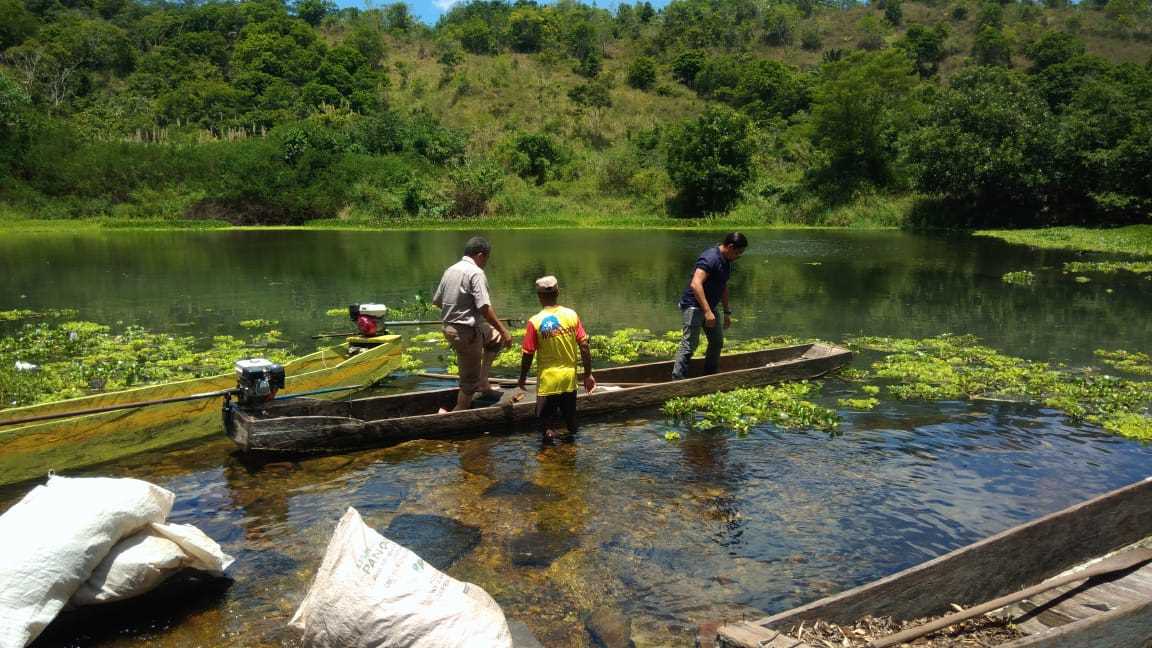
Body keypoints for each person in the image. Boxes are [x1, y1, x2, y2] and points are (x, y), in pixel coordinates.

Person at [432, 236, 513, 412]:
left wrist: (459, 308)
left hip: (450, 328)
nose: (486, 263)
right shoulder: (476, 273)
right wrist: (504, 330)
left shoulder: (450, 270)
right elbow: (484, 307)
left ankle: (483, 383)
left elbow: (437, 301)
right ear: (480, 255)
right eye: (486, 258)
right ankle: (455, 414)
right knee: (468, 384)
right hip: (466, 332)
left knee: (495, 338)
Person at [516, 275, 596, 443]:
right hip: (568, 379)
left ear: (539, 296)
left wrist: (523, 377)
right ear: (558, 292)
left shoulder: (535, 321)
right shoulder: (572, 315)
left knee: (546, 426)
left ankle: (549, 460)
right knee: (571, 421)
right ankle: (571, 452)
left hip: (548, 381)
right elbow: (584, 346)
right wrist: (588, 374)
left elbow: (528, 354)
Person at [672, 232, 748, 380]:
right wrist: (707, 312)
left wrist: (727, 312)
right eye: (738, 253)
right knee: (689, 346)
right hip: (693, 306)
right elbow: (696, 284)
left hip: (709, 308)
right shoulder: (710, 258)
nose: (739, 256)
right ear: (730, 247)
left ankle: (710, 375)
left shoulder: (726, 261)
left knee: (717, 342)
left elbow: (723, 286)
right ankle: (677, 380)